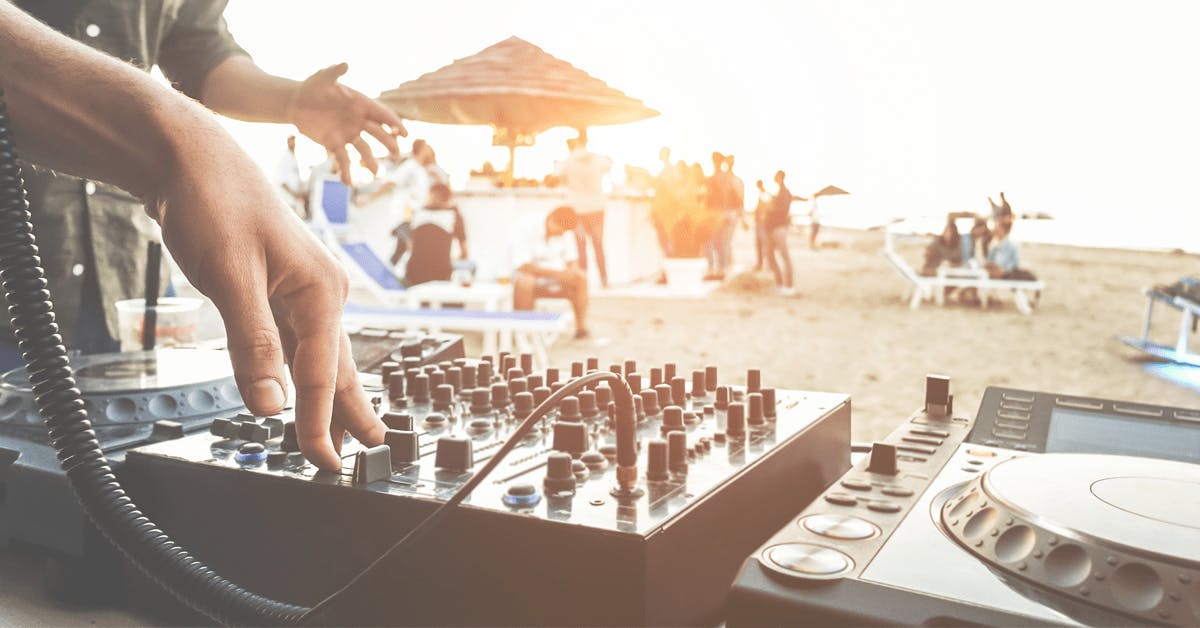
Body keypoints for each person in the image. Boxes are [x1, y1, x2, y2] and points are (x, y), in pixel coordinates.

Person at [0, 2, 399, 470]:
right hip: (13, 270)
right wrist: (175, 135)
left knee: (114, 478)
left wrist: (289, 101)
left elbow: (200, 49)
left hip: (125, 273)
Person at [512, 207, 590, 339]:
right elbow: (523, 265)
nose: (562, 234)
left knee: (581, 278)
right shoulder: (526, 226)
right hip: (529, 273)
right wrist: (557, 274)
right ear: (552, 220)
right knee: (525, 282)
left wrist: (571, 271)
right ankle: (524, 332)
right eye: (560, 230)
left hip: (556, 274)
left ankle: (581, 327)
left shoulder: (566, 230)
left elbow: (571, 260)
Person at [557, 133, 612, 288]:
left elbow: (559, 180)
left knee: (581, 246)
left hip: (577, 208)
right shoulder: (598, 158)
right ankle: (604, 279)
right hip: (596, 207)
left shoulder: (567, 162)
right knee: (598, 245)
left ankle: (583, 282)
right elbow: (609, 166)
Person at [404, 183, 468, 287]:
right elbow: (464, 253)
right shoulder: (454, 216)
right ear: (447, 199)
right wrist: (451, 259)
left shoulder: (416, 214)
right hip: (441, 275)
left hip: (413, 276)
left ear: (429, 195)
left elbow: (409, 248)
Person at [762, 171, 796, 295]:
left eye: (776, 176)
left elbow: (781, 209)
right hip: (772, 228)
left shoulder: (785, 193)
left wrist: (770, 207)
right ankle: (780, 283)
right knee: (770, 256)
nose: (774, 178)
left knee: (784, 256)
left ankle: (789, 287)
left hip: (779, 228)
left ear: (780, 177)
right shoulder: (778, 193)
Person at [703, 152, 736, 280]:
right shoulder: (721, 178)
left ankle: (719, 269)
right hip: (719, 213)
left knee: (717, 243)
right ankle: (719, 268)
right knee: (718, 243)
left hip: (719, 213)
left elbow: (726, 197)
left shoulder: (719, 179)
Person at [274, 135, 306, 218]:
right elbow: (281, 182)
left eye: (295, 142)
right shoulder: (284, 159)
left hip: (294, 201)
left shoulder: (294, 159)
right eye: (292, 141)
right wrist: (294, 195)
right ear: (288, 142)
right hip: (287, 201)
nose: (294, 144)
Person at [752, 179, 770, 271]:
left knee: (762, 243)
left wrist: (762, 218)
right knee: (759, 244)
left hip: (761, 223)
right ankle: (760, 263)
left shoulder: (764, 194)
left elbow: (765, 207)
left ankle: (764, 264)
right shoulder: (762, 193)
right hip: (759, 222)